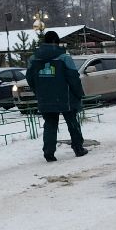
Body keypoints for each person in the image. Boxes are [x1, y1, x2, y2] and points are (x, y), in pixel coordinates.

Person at [26, 30, 87, 162]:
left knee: (50, 124)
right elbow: (73, 78)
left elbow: (29, 78)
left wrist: (38, 92)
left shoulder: (33, 59)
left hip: (44, 97)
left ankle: (48, 152)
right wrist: (79, 93)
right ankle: (78, 148)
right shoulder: (64, 57)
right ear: (55, 42)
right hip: (65, 97)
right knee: (72, 122)